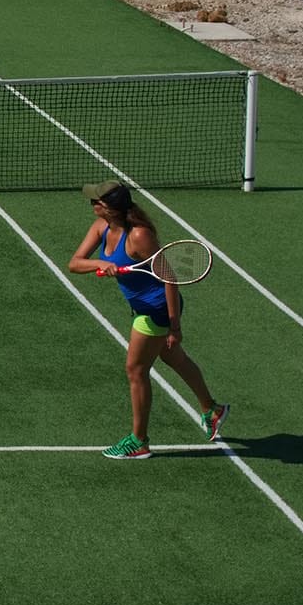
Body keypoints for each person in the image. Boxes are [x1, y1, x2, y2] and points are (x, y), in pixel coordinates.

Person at [68, 179, 229, 460]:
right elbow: (74, 263)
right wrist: (100, 263)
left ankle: (139, 441)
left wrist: (174, 326)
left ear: (111, 208)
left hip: (157, 309)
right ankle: (212, 409)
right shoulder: (101, 227)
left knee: (136, 370)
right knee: (173, 357)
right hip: (143, 306)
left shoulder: (139, 236)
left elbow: (169, 278)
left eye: (96, 201)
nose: (92, 204)